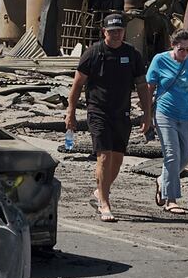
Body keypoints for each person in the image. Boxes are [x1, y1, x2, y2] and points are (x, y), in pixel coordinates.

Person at [65, 14, 152, 222]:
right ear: (104, 31)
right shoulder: (93, 53)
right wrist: (71, 112)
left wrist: (147, 114)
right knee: (103, 156)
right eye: (111, 31)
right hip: (98, 111)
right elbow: (77, 85)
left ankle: (100, 191)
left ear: (124, 32)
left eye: (119, 31)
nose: (116, 34)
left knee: (117, 160)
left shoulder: (132, 54)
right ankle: (105, 204)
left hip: (122, 113)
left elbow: (141, 85)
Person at [145, 29, 188, 214]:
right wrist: (147, 115)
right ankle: (171, 200)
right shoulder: (160, 60)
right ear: (173, 46)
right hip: (165, 113)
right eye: (182, 49)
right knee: (172, 155)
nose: (185, 54)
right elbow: (149, 88)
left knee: (185, 157)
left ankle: (162, 181)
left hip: (186, 115)